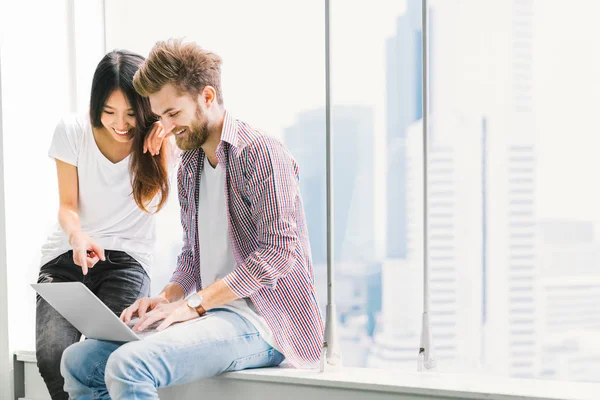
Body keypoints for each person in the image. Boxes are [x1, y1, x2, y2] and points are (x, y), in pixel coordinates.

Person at [60, 39, 324, 399]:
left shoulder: (260, 152)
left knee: (129, 365)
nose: (165, 127)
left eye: (173, 114)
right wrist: (167, 297)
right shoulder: (191, 166)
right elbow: (192, 257)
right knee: (79, 360)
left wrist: (195, 303)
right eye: (159, 117)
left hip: (263, 322)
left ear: (208, 96)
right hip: (210, 314)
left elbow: (278, 252)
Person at [36, 49, 176, 400]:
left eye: (131, 113)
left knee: (107, 356)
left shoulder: (159, 140)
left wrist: (167, 131)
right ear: (95, 106)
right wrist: (77, 236)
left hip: (127, 263)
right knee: (53, 355)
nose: (121, 123)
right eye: (109, 112)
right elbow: (67, 206)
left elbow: (200, 134)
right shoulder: (72, 131)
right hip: (69, 257)